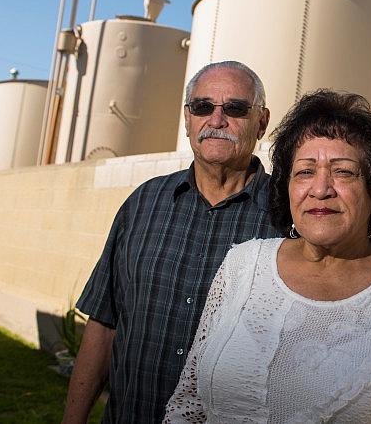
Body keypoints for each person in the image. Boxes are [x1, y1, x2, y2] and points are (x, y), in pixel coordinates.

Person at [164, 90, 371, 423]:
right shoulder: (241, 265)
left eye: (344, 172)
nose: (321, 189)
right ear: (287, 187)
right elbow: (188, 403)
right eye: (305, 172)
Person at [63, 61, 279, 424]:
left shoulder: (288, 216)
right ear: (187, 118)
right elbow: (103, 325)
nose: (217, 120)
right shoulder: (143, 203)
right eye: (203, 107)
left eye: (236, 109)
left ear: (261, 121)